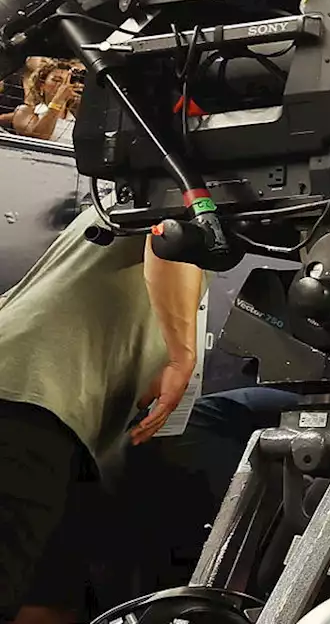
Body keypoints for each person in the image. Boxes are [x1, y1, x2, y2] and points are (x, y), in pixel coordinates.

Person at [0, 206, 205, 617]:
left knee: (53, 594)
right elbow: (168, 236)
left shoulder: (119, 197)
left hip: (60, 413)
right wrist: (182, 356)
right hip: (31, 397)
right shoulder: (195, 186)